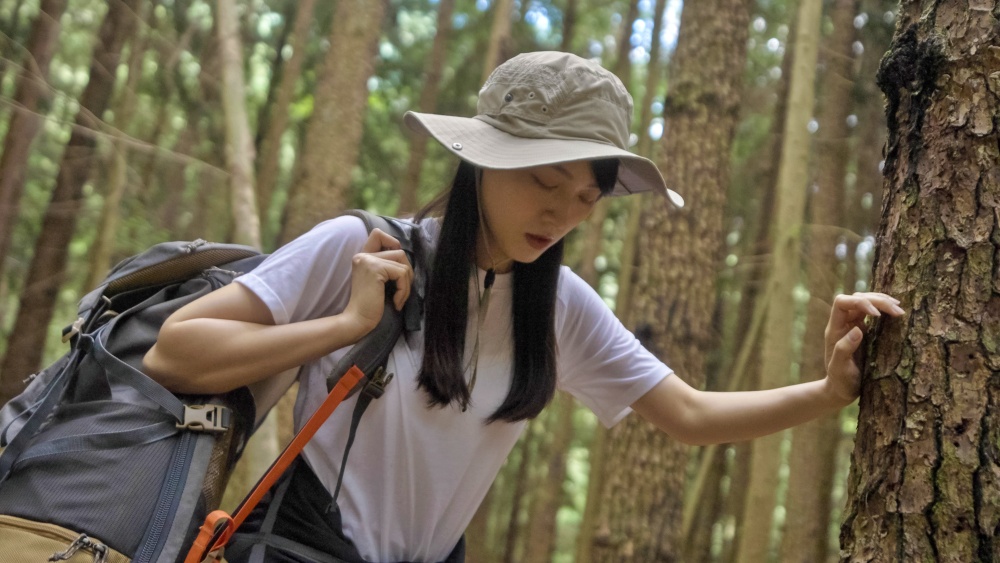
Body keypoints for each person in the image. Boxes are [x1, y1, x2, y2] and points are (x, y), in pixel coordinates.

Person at [142, 51, 903, 563]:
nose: (563, 212)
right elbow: (174, 352)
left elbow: (691, 415)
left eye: (585, 196)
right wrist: (345, 326)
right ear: (482, 159)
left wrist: (833, 391)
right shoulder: (361, 248)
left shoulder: (561, 306)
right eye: (547, 180)